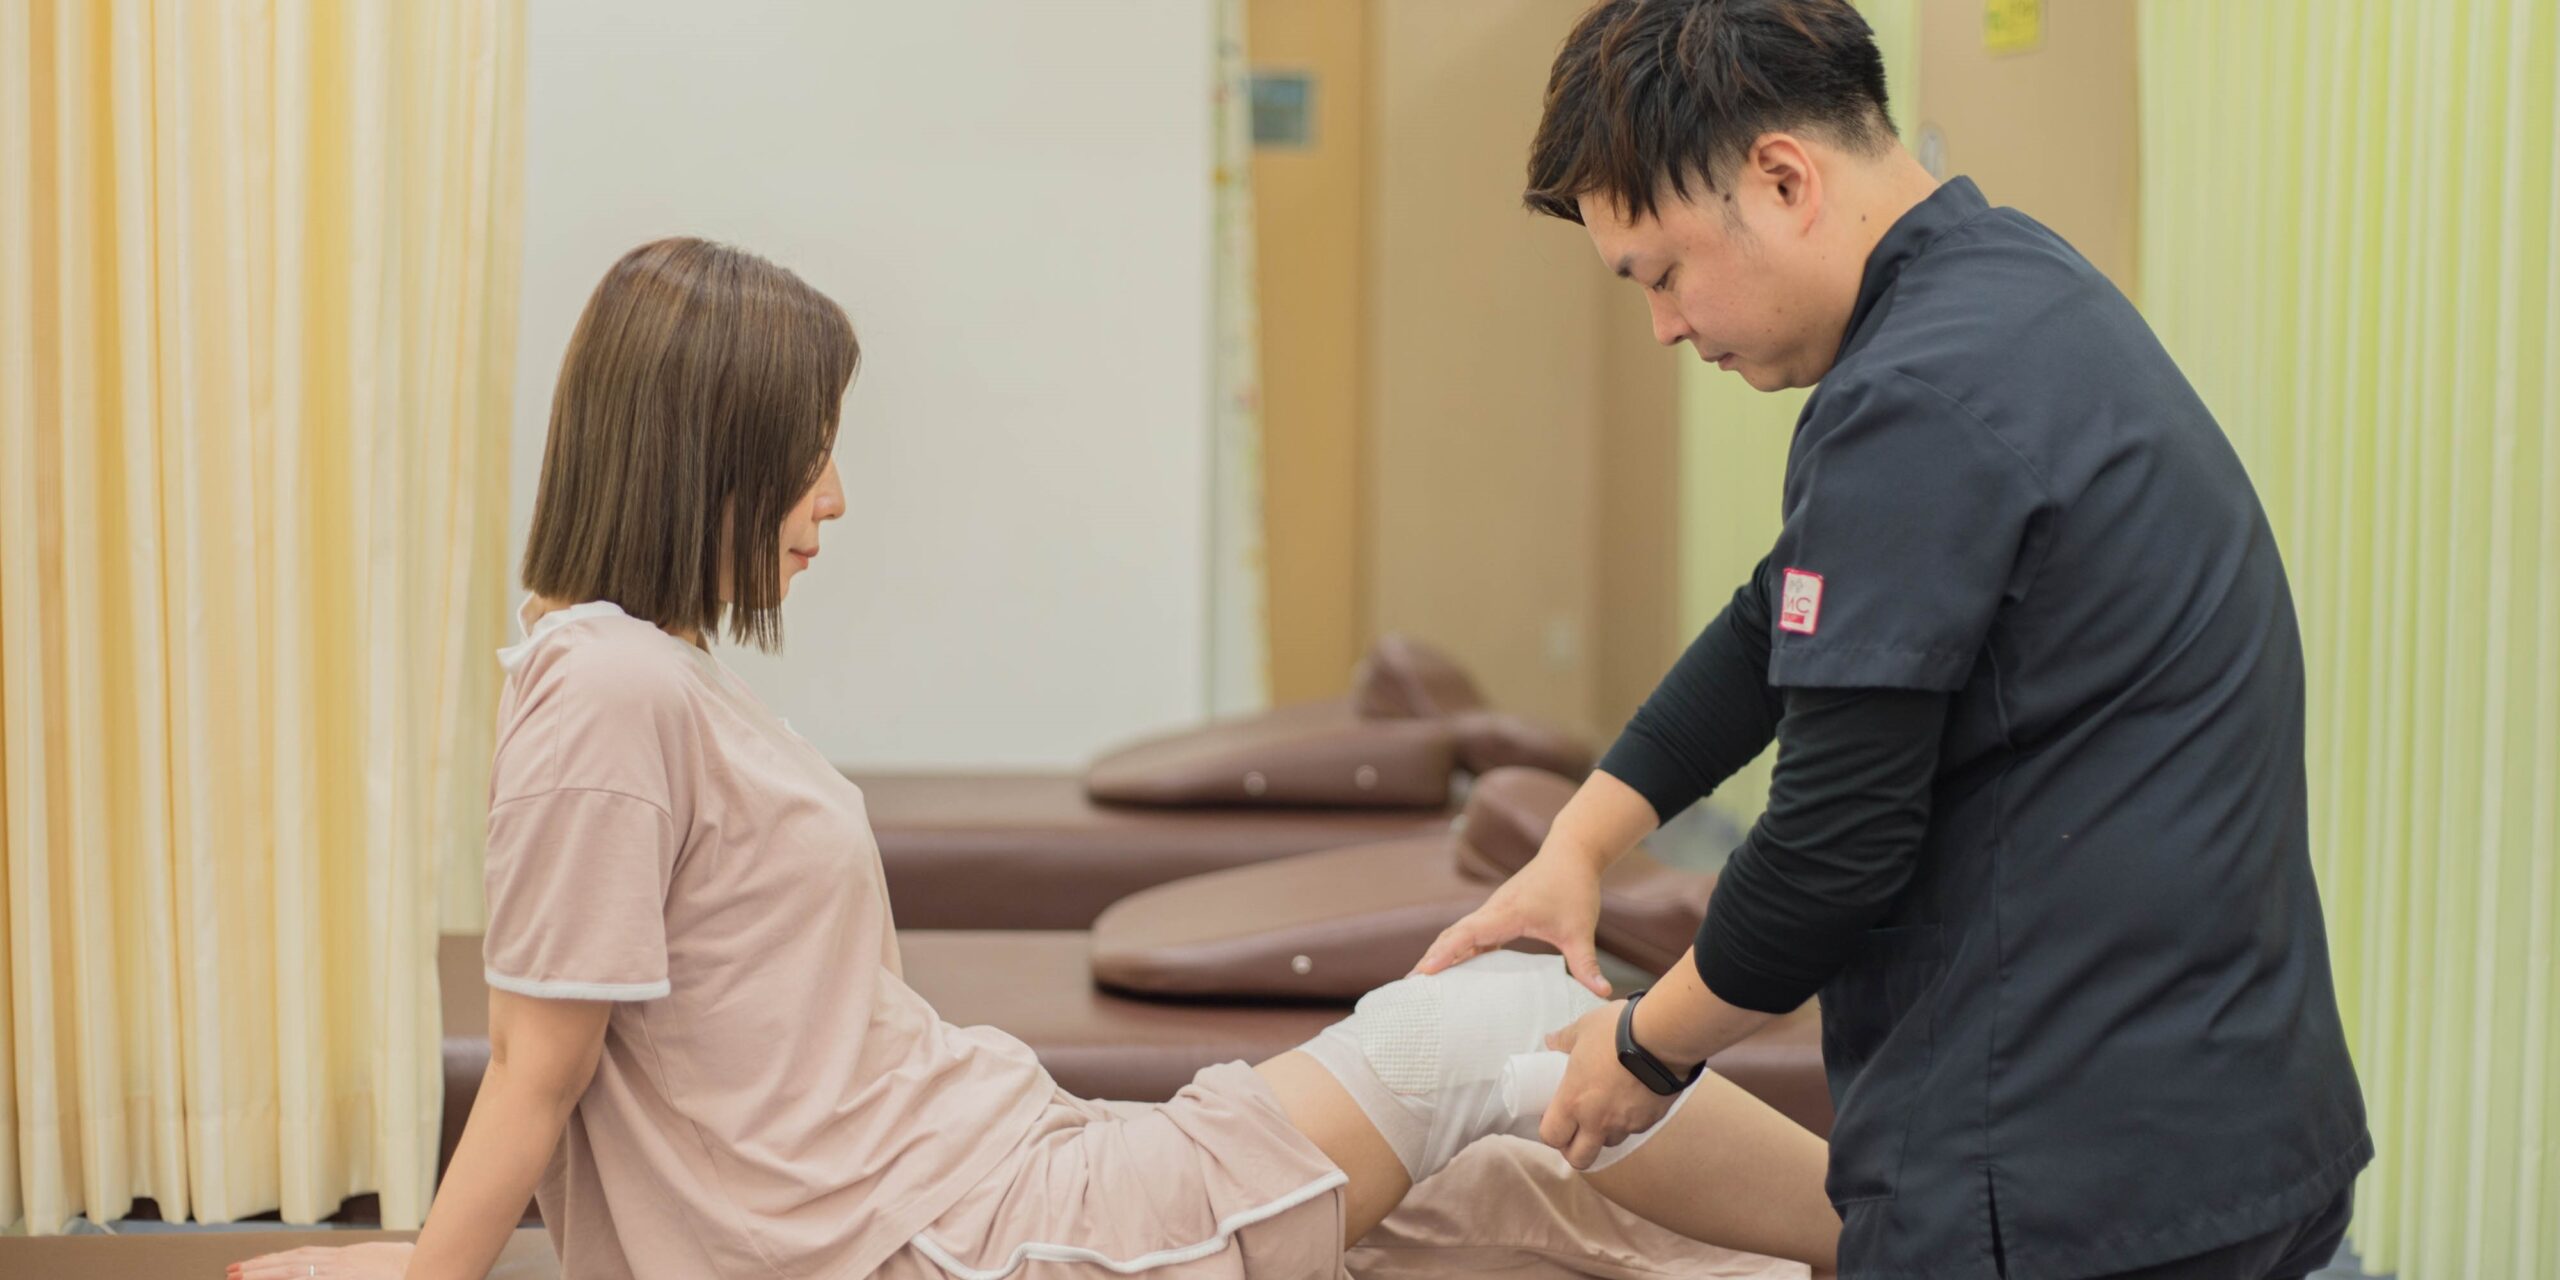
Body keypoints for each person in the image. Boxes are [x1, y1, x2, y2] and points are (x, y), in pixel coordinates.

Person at [229, 237, 1842, 1280]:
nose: (834, 500)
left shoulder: (645, 676)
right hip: (959, 1235)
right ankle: (1902, 1237)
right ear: (704, 452)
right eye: (807, 458)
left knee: (1513, 1164)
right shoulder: (604, 695)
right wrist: (428, 1270)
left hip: (1008, 1162)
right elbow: (539, 1063)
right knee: (1514, 1019)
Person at [1415, 2, 2370, 1277]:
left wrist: (1645, 1047)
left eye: (1661, 271)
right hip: (2223, 1119)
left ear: (1781, 177)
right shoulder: (2010, 284)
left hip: (2066, 1178)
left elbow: (1826, 850)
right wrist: (1582, 836)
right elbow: (1784, 611)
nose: (1666, 327)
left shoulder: (1905, 399)